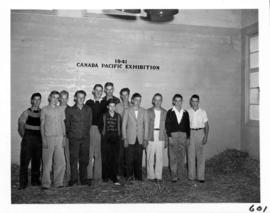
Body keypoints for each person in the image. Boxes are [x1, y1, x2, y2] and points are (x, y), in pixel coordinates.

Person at [65, 90, 92, 186]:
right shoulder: (70, 110)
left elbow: (89, 123)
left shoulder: (88, 109)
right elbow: (67, 124)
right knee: (73, 159)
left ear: (84, 98)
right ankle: (74, 179)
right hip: (74, 138)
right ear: (75, 98)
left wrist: (85, 134)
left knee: (84, 160)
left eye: (83, 97)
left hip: (85, 138)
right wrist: (71, 135)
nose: (81, 99)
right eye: (79, 97)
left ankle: (83, 179)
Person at [40, 91, 66, 189]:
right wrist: (43, 139)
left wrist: (64, 137)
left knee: (60, 161)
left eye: (57, 98)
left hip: (59, 137)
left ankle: (58, 182)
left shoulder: (61, 110)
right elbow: (42, 125)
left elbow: (62, 124)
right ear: (50, 97)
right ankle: (46, 183)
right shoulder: (44, 110)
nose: (55, 100)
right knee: (47, 162)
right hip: (48, 138)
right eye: (53, 97)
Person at [18, 93, 42, 189]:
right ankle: (23, 183)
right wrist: (25, 137)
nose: (36, 101)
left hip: (39, 139)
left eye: (38, 99)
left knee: (37, 161)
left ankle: (35, 181)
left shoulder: (42, 112)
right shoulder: (26, 112)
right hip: (28, 139)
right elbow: (21, 126)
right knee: (25, 161)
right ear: (31, 100)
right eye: (35, 99)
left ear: (40, 101)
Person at [122, 93, 148, 181]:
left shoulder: (144, 111)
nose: (138, 102)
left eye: (139, 100)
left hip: (140, 139)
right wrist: (124, 138)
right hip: (130, 138)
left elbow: (146, 126)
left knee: (139, 159)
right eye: (136, 100)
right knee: (129, 159)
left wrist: (145, 139)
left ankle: (138, 177)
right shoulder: (127, 110)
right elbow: (123, 125)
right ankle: (129, 177)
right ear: (132, 100)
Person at [165, 94, 190, 182]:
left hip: (183, 135)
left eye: (180, 100)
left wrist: (188, 137)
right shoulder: (170, 112)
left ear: (182, 101)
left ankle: (181, 175)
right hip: (173, 135)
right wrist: (169, 137)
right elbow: (167, 125)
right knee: (173, 156)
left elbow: (188, 126)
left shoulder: (185, 113)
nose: (178, 102)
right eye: (176, 100)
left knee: (182, 156)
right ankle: (174, 176)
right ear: (173, 102)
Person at [85, 84, 106, 182]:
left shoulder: (105, 103)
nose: (98, 92)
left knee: (98, 154)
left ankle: (97, 176)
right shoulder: (89, 102)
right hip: (90, 129)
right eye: (96, 90)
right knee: (89, 153)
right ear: (93, 91)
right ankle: (88, 176)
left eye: (100, 90)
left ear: (102, 92)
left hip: (100, 130)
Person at [187, 94, 209, 183]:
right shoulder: (187, 112)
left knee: (201, 156)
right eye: (193, 101)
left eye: (196, 101)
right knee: (191, 156)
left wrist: (206, 136)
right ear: (191, 102)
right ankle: (191, 177)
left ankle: (201, 177)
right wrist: (187, 137)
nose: (195, 103)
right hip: (191, 133)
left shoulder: (203, 112)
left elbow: (207, 126)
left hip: (200, 133)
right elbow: (185, 126)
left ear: (198, 102)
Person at [99, 99, 122, 185]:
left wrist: (118, 137)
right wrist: (104, 135)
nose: (112, 108)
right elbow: (100, 127)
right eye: (110, 106)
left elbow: (120, 127)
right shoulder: (104, 115)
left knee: (115, 159)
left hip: (116, 139)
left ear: (115, 107)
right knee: (105, 158)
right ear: (107, 107)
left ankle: (114, 177)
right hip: (106, 139)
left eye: (114, 106)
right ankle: (105, 177)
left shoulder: (118, 116)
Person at [146, 93, 168, 183]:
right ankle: (151, 176)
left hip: (161, 135)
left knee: (159, 157)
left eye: (159, 100)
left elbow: (167, 127)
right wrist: (145, 138)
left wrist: (166, 139)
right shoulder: (148, 111)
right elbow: (145, 126)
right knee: (150, 156)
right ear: (153, 101)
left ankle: (158, 176)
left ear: (161, 101)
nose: (158, 102)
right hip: (151, 135)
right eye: (156, 99)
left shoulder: (165, 112)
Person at [115, 88, 131, 179]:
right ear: (120, 96)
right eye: (123, 95)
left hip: (130, 133)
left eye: (126, 95)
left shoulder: (132, 106)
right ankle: (119, 173)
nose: (125, 97)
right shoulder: (117, 106)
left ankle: (127, 174)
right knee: (120, 154)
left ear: (129, 95)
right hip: (120, 133)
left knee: (128, 154)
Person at [59, 90, 71, 181]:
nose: (64, 100)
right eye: (62, 98)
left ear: (68, 98)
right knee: (59, 157)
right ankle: (59, 176)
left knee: (68, 156)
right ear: (59, 98)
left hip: (67, 136)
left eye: (65, 98)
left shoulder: (71, 109)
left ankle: (69, 175)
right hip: (57, 136)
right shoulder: (56, 109)